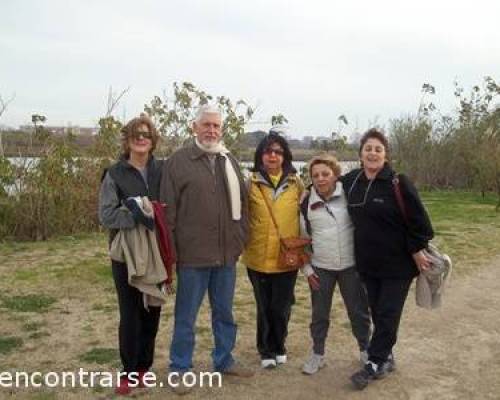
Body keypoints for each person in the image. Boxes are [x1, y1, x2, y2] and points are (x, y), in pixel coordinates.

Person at [160, 104, 253, 394]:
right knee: (186, 316)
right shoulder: (177, 162)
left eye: (216, 126)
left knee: (224, 313)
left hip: (226, 255)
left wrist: (239, 240)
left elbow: (244, 206)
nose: (211, 130)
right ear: (194, 127)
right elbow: (168, 212)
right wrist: (172, 255)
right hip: (192, 256)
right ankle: (179, 367)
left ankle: (224, 360)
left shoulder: (230, 160)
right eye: (206, 125)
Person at [341, 128, 434, 390]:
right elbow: (325, 184)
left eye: (378, 149)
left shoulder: (398, 182)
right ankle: (386, 355)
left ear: (386, 155)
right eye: (368, 148)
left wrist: (416, 248)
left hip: (398, 265)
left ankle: (373, 363)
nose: (372, 153)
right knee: (379, 312)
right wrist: (307, 193)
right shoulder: (351, 181)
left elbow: (422, 226)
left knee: (388, 313)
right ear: (360, 153)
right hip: (368, 265)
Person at [98, 114, 168, 396]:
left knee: (152, 308)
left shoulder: (162, 170)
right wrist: (138, 212)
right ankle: (127, 372)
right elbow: (106, 215)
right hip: (125, 254)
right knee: (130, 313)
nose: (141, 138)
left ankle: (143, 369)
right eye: (136, 134)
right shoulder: (114, 173)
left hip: (159, 251)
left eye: (146, 134)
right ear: (127, 140)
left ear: (153, 141)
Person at [299, 154, 371, 375]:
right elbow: (301, 240)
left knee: (358, 312)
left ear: (335, 174)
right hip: (321, 268)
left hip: (351, 266)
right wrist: (308, 270)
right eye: (315, 175)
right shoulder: (305, 203)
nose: (320, 179)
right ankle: (318, 354)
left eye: (325, 174)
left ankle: (366, 350)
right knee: (319, 315)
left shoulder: (349, 195)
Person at [242, 130, 304, 369]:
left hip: (286, 257)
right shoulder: (251, 184)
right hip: (257, 256)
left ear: (285, 156)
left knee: (282, 306)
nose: (272, 156)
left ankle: (280, 345)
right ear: (260, 156)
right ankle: (265, 349)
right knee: (264, 306)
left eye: (278, 152)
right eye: (268, 151)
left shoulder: (295, 183)